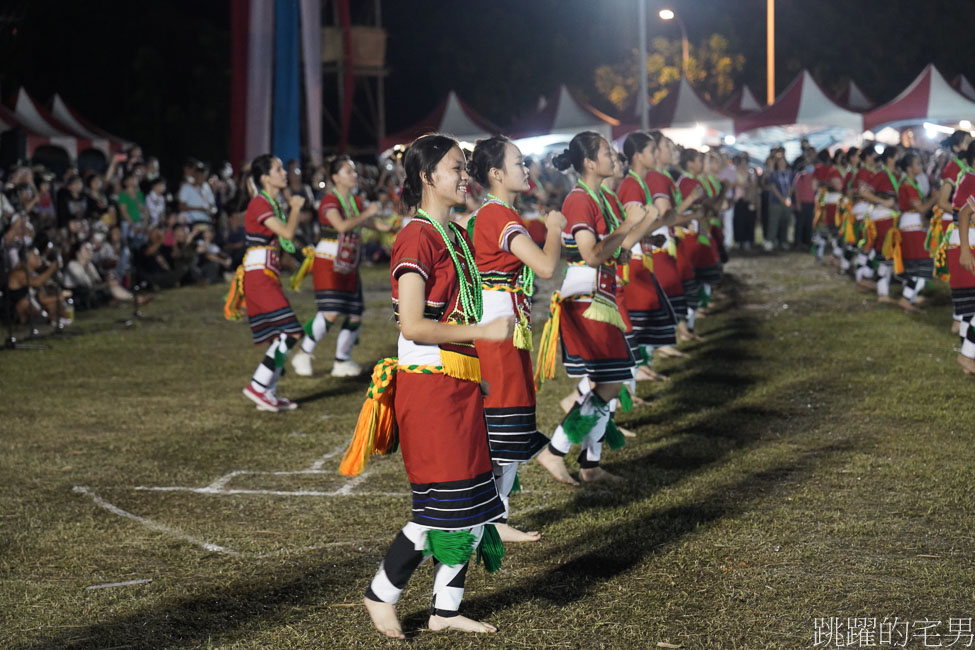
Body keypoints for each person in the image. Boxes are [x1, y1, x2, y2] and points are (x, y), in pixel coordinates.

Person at [359, 134, 512, 638]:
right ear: (426, 177)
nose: (465, 175)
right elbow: (413, 326)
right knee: (439, 506)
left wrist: (477, 373)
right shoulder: (417, 237)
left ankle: (445, 610)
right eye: (454, 167)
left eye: (465, 167)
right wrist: (482, 332)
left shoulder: (456, 236)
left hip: (459, 383)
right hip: (429, 386)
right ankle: (382, 594)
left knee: (470, 503)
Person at [535, 131, 649, 484]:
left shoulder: (606, 198)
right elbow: (591, 254)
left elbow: (613, 247)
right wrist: (630, 225)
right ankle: (556, 451)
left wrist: (628, 239)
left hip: (603, 297)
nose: (613, 156)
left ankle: (590, 464)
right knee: (611, 382)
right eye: (605, 151)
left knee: (611, 382)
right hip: (586, 299)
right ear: (588, 162)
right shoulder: (578, 200)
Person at [466, 135, 564, 541]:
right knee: (505, 422)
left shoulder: (494, 214)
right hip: (498, 331)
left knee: (510, 420)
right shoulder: (498, 217)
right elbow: (543, 266)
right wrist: (555, 229)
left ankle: (495, 516)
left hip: (504, 328)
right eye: (519, 162)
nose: (527, 170)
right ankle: (492, 519)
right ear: (495, 173)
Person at [291, 155, 388, 377]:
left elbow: (372, 223)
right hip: (329, 261)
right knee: (330, 311)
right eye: (348, 172)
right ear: (335, 177)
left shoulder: (355, 201)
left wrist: (396, 228)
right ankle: (303, 354)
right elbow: (342, 225)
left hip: (349, 261)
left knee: (354, 313)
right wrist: (367, 214)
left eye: (354, 171)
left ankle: (342, 361)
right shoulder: (329, 201)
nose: (354, 175)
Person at [234, 155, 306, 412]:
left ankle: (269, 392)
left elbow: (283, 241)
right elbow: (286, 232)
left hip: (265, 272)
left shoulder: (271, 203)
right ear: (265, 177)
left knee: (281, 335)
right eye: (277, 169)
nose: (283, 173)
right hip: (258, 274)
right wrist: (296, 207)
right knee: (291, 332)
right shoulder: (259, 203)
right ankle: (258, 385)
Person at [616, 132, 679, 381]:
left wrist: (651, 235)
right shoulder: (631, 185)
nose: (656, 156)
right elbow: (630, 228)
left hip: (641, 256)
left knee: (644, 321)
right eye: (652, 151)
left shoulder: (640, 184)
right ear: (638, 156)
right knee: (637, 325)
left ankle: (635, 378)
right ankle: (630, 383)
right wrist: (657, 224)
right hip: (631, 262)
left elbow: (638, 227)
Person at [896, 152, 938, 313]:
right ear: (909, 168)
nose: (920, 166)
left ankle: (909, 298)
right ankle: (906, 298)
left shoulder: (910, 183)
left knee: (919, 264)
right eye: (917, 164)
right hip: (911, 227)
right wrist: (935, 198)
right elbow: (920, 208)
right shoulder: (907, 184)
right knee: (921, 263)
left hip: (913, 225)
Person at [947, 142, 975, 374]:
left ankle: (968, 355)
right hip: (967, 245)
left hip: (965, 243)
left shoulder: (968, 178)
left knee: (971, 306)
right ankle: (967, 355)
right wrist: (966, 250)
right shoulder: (971, 180)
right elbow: (965, 213)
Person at [860, 148, 901, 304]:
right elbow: (863, 192)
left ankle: (868, 278)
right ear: (890, 158)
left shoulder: (896, 175)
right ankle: (882, 292)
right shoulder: (881, 175)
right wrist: (884, 202)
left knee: (883, 252)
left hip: (891, 218)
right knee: (885, 253)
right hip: (882, 217)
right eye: (897, 156)